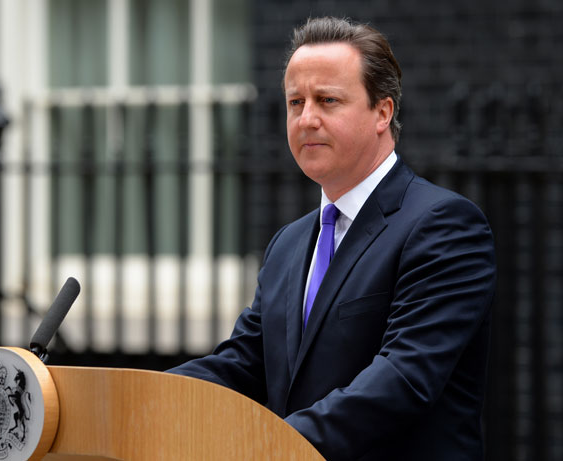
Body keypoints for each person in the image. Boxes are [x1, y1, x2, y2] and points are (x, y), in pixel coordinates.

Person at [168, 16, 496, 461]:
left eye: (327, 100)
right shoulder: (289, 242)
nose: (307, 119)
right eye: (295, 102)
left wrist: (269, 446)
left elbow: (402, 379)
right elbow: (243, 365)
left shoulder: (444, 225)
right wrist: (134, 397)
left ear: (383, 112)